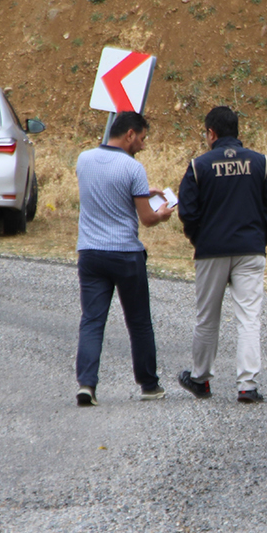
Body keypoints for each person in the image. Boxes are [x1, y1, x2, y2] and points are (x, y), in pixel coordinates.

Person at [176, 106, 267, 404]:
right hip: (250, 249)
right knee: (249, 318)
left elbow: (188, 212)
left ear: (211, 133)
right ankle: (247, 385)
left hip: (210, 251)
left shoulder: (198, 166)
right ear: (237, 131)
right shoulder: (261, 163)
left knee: (207, 317)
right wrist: (260, 236)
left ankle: (200, 378)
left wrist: (199, 239)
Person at [74, 111, 175, 406]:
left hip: (90, 252)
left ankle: (86, 384)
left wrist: (142, 192)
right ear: (130, 134)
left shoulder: (83, 159)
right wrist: (163, 214)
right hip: (125, 255)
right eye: (142, 138)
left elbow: (105, 191)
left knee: (92, 321)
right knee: (139, 322)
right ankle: (149, 385)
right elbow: (147, 219)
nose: (143, 144)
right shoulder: (133, 168)